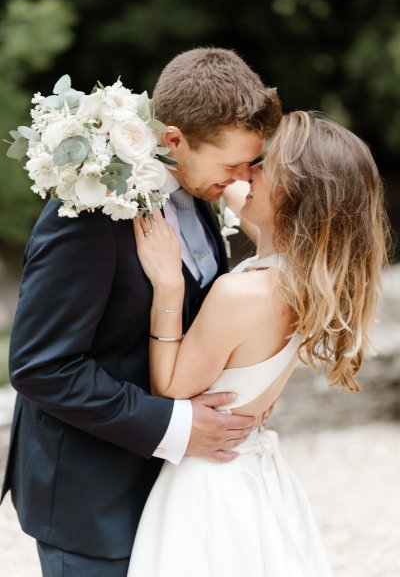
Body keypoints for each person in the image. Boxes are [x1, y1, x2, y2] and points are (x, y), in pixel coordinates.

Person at [0, 48, 282, 577]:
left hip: (176, 494)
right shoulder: (87, 212)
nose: (245, 177)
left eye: (251, 161)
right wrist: (176, 425)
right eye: (232, 164)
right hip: (93, 501)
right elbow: (41, 367)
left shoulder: (199, 192)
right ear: (173, 140)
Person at [128, 110, 389, 576]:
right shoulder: (306, 270)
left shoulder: (243, 294)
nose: (248, 170)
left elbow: (169, 387)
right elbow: (227, 187)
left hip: (209, 483)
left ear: (296, 195)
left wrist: (168, 289)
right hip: (251, 471)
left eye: (266, 166)